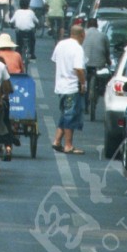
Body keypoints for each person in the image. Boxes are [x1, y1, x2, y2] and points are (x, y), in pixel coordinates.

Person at [51, 23, 87, 154]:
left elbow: (55, 60)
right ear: (82, 35)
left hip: (60, 86)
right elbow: (78, 68)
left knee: (65, 114)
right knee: (70, 116)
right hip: (72, 86)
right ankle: (68, 145)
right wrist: (83, 83)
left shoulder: (61, 44)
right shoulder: (78, 48)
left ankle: (57, 141)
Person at [82, 22, 111, 119]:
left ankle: (85, 105)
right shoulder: (103, 35)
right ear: (97, 26)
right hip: (99, 64)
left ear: (87, 25)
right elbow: (107, 51)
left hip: (85, 63)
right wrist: (108, 61)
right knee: (103, 80)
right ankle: (99, 91)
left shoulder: (83, 34)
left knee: (84, 82)